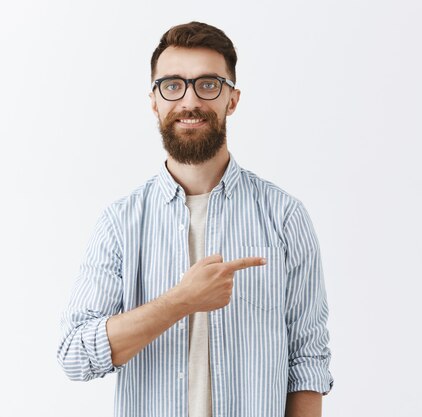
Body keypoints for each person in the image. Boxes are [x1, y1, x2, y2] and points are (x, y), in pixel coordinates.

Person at [57, 21, 333, 417]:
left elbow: (308, 360)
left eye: (208, 84)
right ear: (154, 101)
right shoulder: (120, 223)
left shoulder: (285, 217)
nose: (189, 101)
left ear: (232, 99)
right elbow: (75, 355)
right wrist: (182, 301)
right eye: (172, 85)